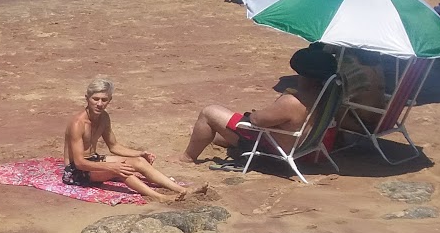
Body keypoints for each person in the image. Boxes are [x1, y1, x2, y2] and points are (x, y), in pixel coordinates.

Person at [182, 44, 336, 163]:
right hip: (311, 150)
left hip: (278, 151)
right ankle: (207, 136)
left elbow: (257, 121)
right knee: (230, 128)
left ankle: (187, 157)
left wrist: (260, 111)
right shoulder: (330, 95)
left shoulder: (292, 102)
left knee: (210, 112)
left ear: (303, 75)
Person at [64, 78, 192, 200]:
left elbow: (114, 146)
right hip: (76, 171)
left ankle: (181, 189)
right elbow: (79, 163)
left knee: (140, 161)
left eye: (104, 100)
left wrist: (140, 153)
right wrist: (111, 167)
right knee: (122, 170)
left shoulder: (104, 117)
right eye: (95, 99)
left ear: (110, 100)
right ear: (87, 99)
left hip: (93, 159)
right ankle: (160, 197)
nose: (99, 104)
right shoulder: (78, 124)